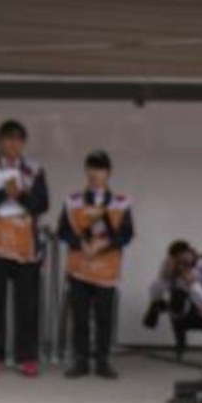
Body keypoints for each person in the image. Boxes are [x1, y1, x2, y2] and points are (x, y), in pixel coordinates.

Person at [0, 120, 50, 378]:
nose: (13, 144)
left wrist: (22, 195)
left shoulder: (34, 170)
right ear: (0, 142)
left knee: (27, 304)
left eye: (18, 139)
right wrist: (5, 192)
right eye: (8, 139)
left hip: (25, 246)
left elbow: (41, 204)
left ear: (23, 143)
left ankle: (27, 357)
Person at [55, 149, 135, 380]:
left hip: (107, 269)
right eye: (91, 168)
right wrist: (81, 244)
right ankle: (80, 360)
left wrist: (105, 244)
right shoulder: (73, 201)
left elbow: (127, 234)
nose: (94, 173)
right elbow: (63, 231)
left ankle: (102, 361)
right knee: (79, 315)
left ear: (108, 173)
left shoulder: (120, 202)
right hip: (79, 267)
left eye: (99, 168)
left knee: (103, 316)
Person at [145, 240, 202, 359]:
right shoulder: (172, 268)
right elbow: (154, 294)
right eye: (178, 261)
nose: (182, 265)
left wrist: (193, 284)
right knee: (175, 297)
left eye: (184, 260)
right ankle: (180, 343)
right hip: (186, 311)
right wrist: (164, 278)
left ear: (191, 252)